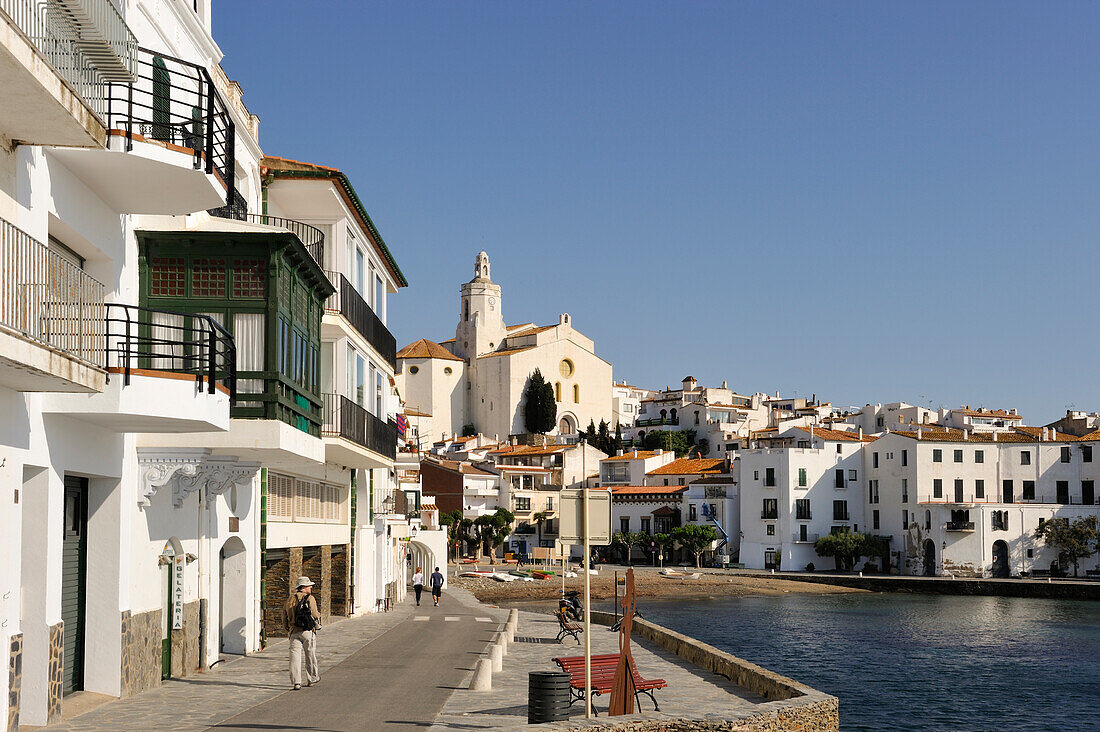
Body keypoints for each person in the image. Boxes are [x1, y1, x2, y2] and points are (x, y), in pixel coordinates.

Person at [283, 576, 321, 690]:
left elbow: (284, 615)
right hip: (307, 631)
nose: (311, 587)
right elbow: (314, 614)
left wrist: (288, 628)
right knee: (310, 655)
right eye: (309, 586)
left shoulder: (290, 599)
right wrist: (318, 619)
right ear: (303, 587)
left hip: (294, 631)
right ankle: (312, 678)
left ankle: (296, 682)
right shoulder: (310, 598)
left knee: (294, 657)